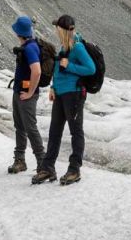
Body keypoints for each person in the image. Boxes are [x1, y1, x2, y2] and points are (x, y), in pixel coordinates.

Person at [32, 15, 95, 186]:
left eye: (57, 28)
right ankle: (47, 168)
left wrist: (70, 66)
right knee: (54, 131)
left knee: (76, 132)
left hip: (74, 94)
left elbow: (91, 68)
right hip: (61, 94)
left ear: (63, 29)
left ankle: (74, 170)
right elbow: (59, 69)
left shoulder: (78, 47)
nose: (55, 30)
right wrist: (53, 87)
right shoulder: (64, 47)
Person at [7, 16, 45, 174]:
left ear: (19, 32)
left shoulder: (30, 48)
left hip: (25, 95)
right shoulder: (30, 45)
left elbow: (37, 71)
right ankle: (20, 160)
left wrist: (30, 92)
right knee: (20, 127)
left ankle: (43, 164)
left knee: (30, 128)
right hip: (19, 93)